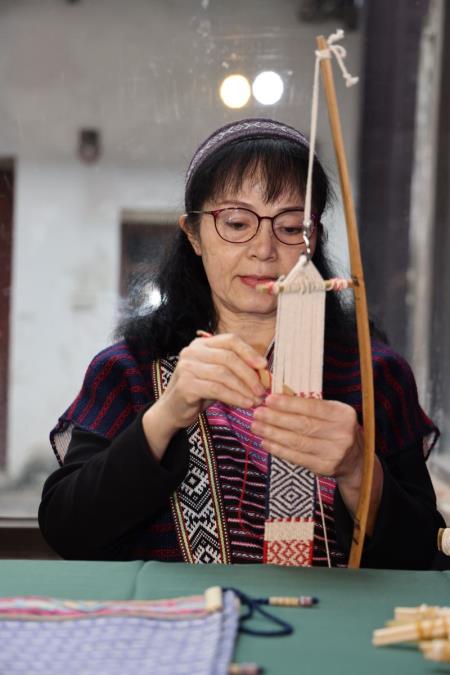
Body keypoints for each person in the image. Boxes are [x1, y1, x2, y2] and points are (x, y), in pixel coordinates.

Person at [39, 118, 444, 568]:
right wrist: (166, 414)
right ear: (193, 234)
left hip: (327, 613)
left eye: (290, 227)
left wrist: (357, 469)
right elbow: (67, 531)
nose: (264, 249)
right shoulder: (129, 369)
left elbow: (425, 556)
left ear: (313, 240)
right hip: (179, 614)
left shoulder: (374, 374)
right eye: (236, 223)